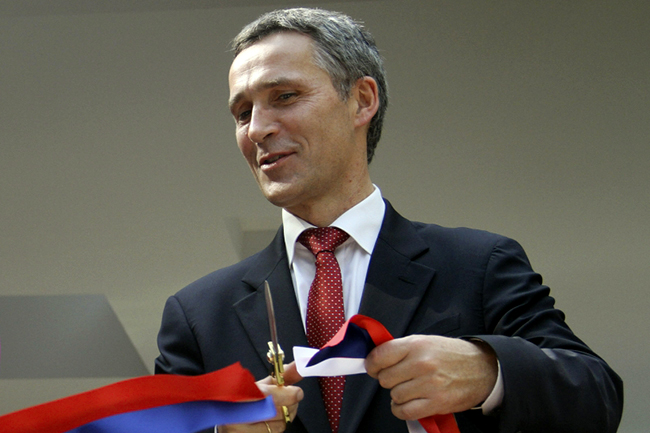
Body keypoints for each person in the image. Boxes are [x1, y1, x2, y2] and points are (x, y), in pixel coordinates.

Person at [155, 7, 623, 433]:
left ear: (362, 100)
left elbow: (597, 398)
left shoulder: (478, 265)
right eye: (243, 113)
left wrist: (488, 371)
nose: (257, 128)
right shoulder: (198, 315)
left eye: (285, 96)